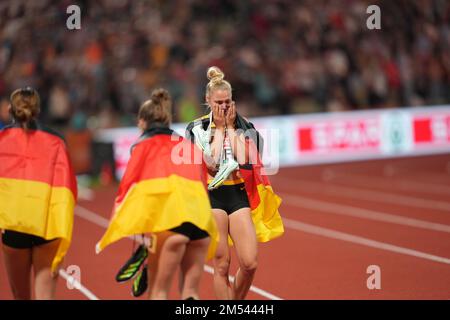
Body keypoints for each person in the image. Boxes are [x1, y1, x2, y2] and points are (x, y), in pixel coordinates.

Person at [96, 88, 218, 300]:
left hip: (170, 223)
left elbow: (131, 189)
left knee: (158, 291)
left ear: (143, 122)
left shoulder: (141, 146)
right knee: (190, 293)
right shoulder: (188, 144)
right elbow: (208, 174)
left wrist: (131, 226)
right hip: (201, 221)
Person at [186, 66, 284, 300]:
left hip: (238, 195)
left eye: (227, 101)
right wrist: (219, 129)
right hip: (212, 197)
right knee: (221, 265)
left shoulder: (244, 126)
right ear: (207, 101)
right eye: (218, 102)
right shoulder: (196, 128)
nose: (223, 106)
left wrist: (229, 128)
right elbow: (210, 164)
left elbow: (246, 160)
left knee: (249, 263)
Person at [0, 87, 77, 299]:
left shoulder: (1, 140)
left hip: (15, 228)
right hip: (47, 227)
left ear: (10, 110)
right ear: (39, 109)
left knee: (20, 296)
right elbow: (68, 188)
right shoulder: (57, 141)